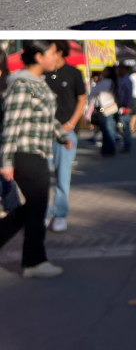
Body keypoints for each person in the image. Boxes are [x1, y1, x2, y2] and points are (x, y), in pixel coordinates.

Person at [0, 41, 70, 278]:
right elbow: (11, 124)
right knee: (38, 206)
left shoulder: (37, 84)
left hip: (37, 153)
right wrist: (6, 161)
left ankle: (28, 256)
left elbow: (47, 120)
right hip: (24, 153)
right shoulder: (22, 85)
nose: (56, 57)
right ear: (39, 57)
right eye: (52, 53)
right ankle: (33, 262)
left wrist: (62, 137)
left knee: (35, 206)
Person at [42, 42, 84, 234]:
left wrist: (71, 123)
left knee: (62, 176)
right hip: (43, 132)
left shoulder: (74, 73)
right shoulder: (41, 73)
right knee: (40, 177)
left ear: (58, 52)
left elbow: (82, 99)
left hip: (66, 131)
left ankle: (59, 214)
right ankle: (43, 213)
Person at [88, 70, 119, 155]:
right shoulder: (114, 81)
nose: (103, 72)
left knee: (106, 130)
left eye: (105, 70)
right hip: (113, 107)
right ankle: (111, 149)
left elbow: (94, 91)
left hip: (104, 108)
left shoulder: (105, 82)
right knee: (111, 129)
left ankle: (106, 150)